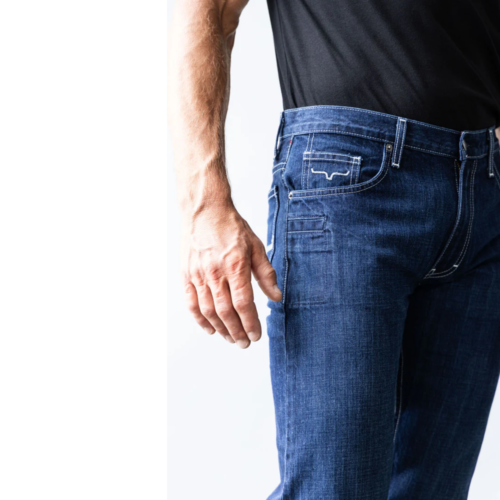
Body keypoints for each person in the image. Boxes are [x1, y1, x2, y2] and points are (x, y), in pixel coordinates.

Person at [168, 0, 500, 497]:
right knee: (332, 488)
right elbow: (209, 9)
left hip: (486, 190)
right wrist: (205, 205)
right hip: (346, 181)